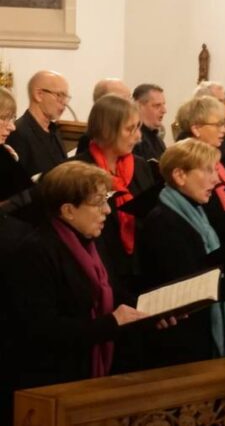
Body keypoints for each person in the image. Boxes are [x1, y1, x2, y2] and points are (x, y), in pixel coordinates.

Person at [5, 162, 160, 410]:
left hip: (92, 374)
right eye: (98, 202)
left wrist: (152, 312)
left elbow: (114, 291)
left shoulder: (90, 241)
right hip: (54, 385)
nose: (107, 210)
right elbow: (43, 330)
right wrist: (111, 323)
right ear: (68, 210)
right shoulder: (34, 252)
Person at [138, 139, 225, 368]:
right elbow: (191, 289)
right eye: (208, 171)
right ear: (179, 175)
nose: (216, 180)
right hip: (180, 345)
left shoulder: (194, 213)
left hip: (197, 333)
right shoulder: (164, 222)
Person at [73, 94, 155, 296]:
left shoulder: (141, 167)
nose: (138, 137)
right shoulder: (79, 171)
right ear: (107, 129)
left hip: (141, 268)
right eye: (130, 129)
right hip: (101, 273)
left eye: (138, 128)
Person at [177, 96, 225, 242]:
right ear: (196, 129)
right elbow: (204, 218)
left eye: (224, 124)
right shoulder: (189, 162)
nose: (224, 130)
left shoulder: (213, 159)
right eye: (218, 125)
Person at [7, 70, 68, 176]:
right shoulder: (18, 133)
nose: (64, 102)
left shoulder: (53, 131)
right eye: (59, 95)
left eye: (66, 97)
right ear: (38, 95)